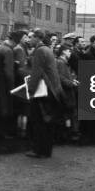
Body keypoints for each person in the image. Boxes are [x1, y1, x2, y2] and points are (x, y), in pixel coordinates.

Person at [25, 30, 66, 158]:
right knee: (47, 122)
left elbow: (36, 73)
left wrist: (30, 91)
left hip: (44, 91)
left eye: (31, 37)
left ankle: (39, 150)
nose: (29, 40)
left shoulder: (39, 51)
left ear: (38, 38)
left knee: (39, 121)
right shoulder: (47, 50)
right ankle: (46, 150)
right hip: (53, 89)